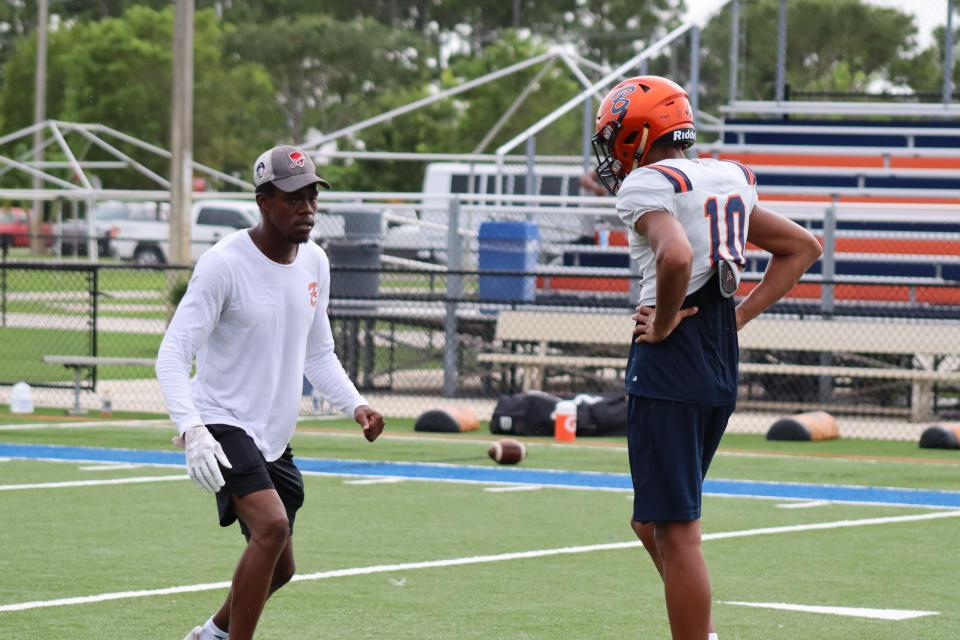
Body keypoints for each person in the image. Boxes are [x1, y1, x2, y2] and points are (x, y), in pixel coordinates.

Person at [591, 76, 821, 640]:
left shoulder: (647, 183)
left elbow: (675, 255)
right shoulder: (726, 175)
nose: (610, 150)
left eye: (615, 136)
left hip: (672, 355)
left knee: (675, 529)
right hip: (718, 351)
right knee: (651, 521)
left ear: (640, 133)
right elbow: (802, 247)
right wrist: (738, 316)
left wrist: (666, 319)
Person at [156, 145, 386, 640]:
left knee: (281, 568)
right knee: (271, 528)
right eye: (292, 198)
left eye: (311, 197)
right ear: (263, 201)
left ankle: (208, 636)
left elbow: (318, 354)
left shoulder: (317, 263)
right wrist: (192, 430)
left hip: (273, 439)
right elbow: (172, 355)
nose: (306, 208)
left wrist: (356, 405)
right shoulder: (223, 265)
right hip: (221, 423)